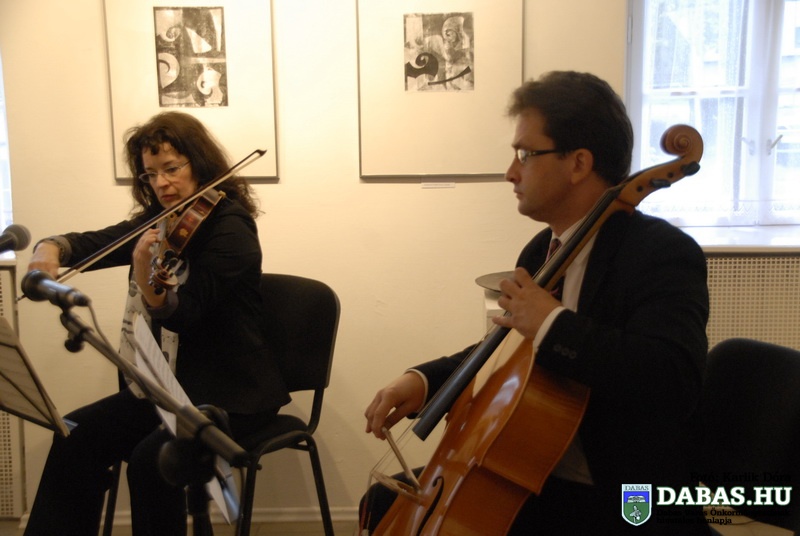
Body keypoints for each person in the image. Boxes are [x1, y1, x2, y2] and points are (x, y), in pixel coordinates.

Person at [363, 71, 710, 534]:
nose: (511, 172)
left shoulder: (660, 253)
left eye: (525, 154)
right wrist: (425, 380)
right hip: (534, 475)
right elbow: (505, 355)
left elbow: (673, 378)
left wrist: (553, 325)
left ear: (578, 163)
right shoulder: (538, 252)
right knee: (381, 503)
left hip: (618, 495)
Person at [23, 112, 289, 536]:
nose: (161, 183)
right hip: (167, 387)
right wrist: (50, 248)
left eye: (171, 169)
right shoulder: (161, 220)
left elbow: (188, 314)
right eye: (150, 174)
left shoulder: (231, 227)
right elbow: (97, 242)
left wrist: (149, 284)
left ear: (198, 163)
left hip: (228, 393)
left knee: (152, 462)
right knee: (74, 435)